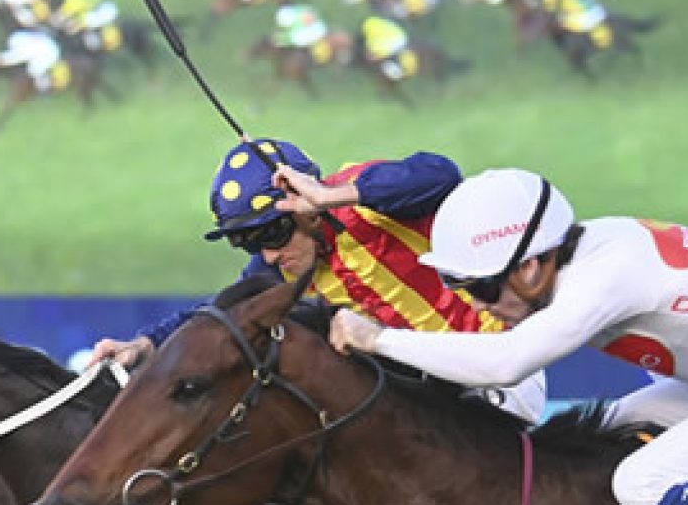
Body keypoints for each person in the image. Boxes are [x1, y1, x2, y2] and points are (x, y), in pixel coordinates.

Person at [327, 169, 688, 505]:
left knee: (641, 486)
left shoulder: (606, 276)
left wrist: (379, 339)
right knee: (598, 430)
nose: (477, 305)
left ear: (532, 267)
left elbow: (506, 362)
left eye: (481, 289)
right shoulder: (592, 247)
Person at [92, 137, 546, 423]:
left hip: (498, 369)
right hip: (431, 393)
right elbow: (219, 312)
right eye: (249, 243)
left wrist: (331, 197)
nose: (268, 253)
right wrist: (145, 346)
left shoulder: (365, 196)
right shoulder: (282, 269)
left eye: (273, 232)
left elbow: (440, 173)